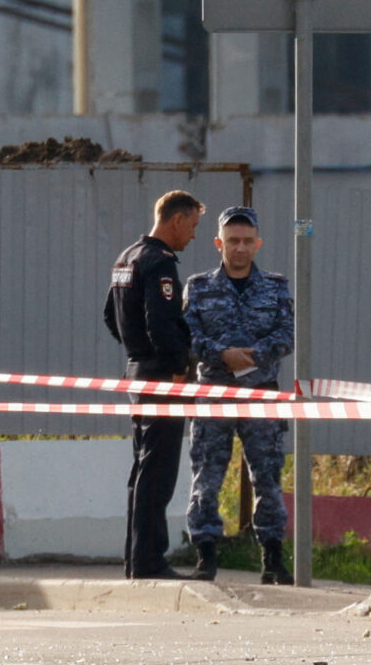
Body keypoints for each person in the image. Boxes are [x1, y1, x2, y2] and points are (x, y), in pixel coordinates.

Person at [181, 207, 296, 584]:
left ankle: (273, 559)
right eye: (233, 241)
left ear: (258, 244)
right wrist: (221, 355)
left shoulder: (276, 287)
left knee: (268, 477)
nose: (240, 248)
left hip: (261, 396)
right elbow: (189, 338)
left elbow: (287, 336)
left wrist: (252, 356)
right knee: (207, 477)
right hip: (214, 396)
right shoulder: (199, 287)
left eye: (248, 241)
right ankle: (206, 555)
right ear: (219, 244)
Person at [103, 189, 203, 579]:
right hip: (163, 377)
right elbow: (162, 323)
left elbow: (111, 318)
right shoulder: (160, 263)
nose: (192, 235)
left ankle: (137, 559)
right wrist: (177, 369)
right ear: (175, 219)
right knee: (158, 473)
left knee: (143, 470)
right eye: (192, 226)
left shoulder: (126, 258)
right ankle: (149, 561)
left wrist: (136, 352)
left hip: (138, 372)